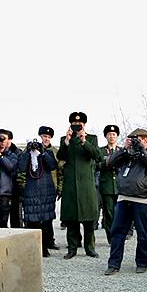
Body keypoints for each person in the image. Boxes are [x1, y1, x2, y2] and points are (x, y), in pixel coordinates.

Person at [103, 128, 147, 275]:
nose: (136, 141)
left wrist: (143, 151)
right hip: (124, 197)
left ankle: (142, 263)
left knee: (143, 233)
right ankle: (113, 264)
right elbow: (110, 163)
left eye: (139, 139)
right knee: (117, 232)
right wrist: (124, 149)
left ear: (146, 139)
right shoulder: (127, 153)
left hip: (143, 199)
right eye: (134, 139)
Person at [57, 111, 102, 259]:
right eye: (74, 125)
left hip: (87, 185)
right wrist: (67, 142)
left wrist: (84, 141)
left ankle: (90, 248)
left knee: (89, 220)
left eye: (79, 125)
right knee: (71, 219)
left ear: (84, 125)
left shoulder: (92, 139)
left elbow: (97, 155)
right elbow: (60, 156)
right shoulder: (65, 139)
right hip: (70, 185)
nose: (77, 127)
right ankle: (72, 248)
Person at [18, 135, 59, 257]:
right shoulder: (26, 155)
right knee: (32, 221)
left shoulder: (48, 153)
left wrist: (42, 152)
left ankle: (45, 248)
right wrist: (27, 151)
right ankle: (33, 248)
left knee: (46, 222)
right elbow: (21, 168)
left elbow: (52, 165)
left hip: (46, 191)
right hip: (31, 192)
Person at [98, 125, 122, 243]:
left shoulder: (121, 150)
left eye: (114, 134)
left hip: (120, 186)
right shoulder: (100, 151)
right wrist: (107, 163)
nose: (111, 136)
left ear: (117, 136)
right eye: (109, 134)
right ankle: (111, 237)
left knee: (121, 213)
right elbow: (96, 165)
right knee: (108, 213)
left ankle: (120, 235)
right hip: (106, 185)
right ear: (106, 136)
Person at [38, 126, 60, 250]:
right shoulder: (33, 149)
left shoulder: (55, 152)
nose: (46, 139)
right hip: (37, 188)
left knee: (49, 216)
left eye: (48, 137)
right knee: (38, 216)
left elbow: (60, 171)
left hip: (51, 186)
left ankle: (50, 241)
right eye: (44, 136)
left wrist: (59, 188)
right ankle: (40, 242)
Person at [0, 129, 24, 228]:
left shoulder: (17, 152)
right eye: (0, 138)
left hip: (15, 187)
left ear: (10, 140)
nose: (3, 141)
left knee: (16, 215)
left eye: (6, 139)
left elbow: (18, 170)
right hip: (3, 188)